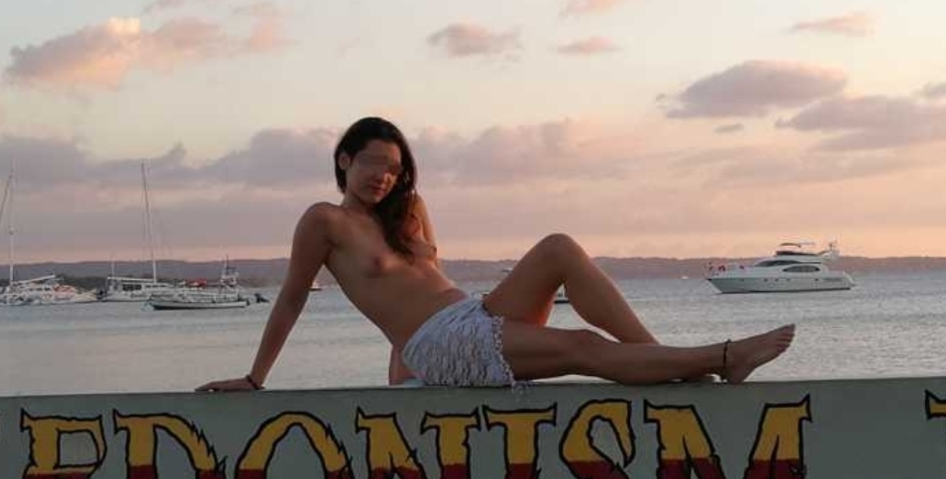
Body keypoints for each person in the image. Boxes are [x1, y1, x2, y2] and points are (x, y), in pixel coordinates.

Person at [196, 117, 794, 392]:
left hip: (468, 318)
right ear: (344, 161)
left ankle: (661, 359)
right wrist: (254, 378)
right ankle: (722, 357)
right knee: (583, 348)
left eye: (394, 168)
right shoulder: (323, 221)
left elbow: (428, 284)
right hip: (441, 344)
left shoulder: (409, 210)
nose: (383, 176)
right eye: (373, 163)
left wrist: (402, 360)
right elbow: (291, 301)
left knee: (558, 247)